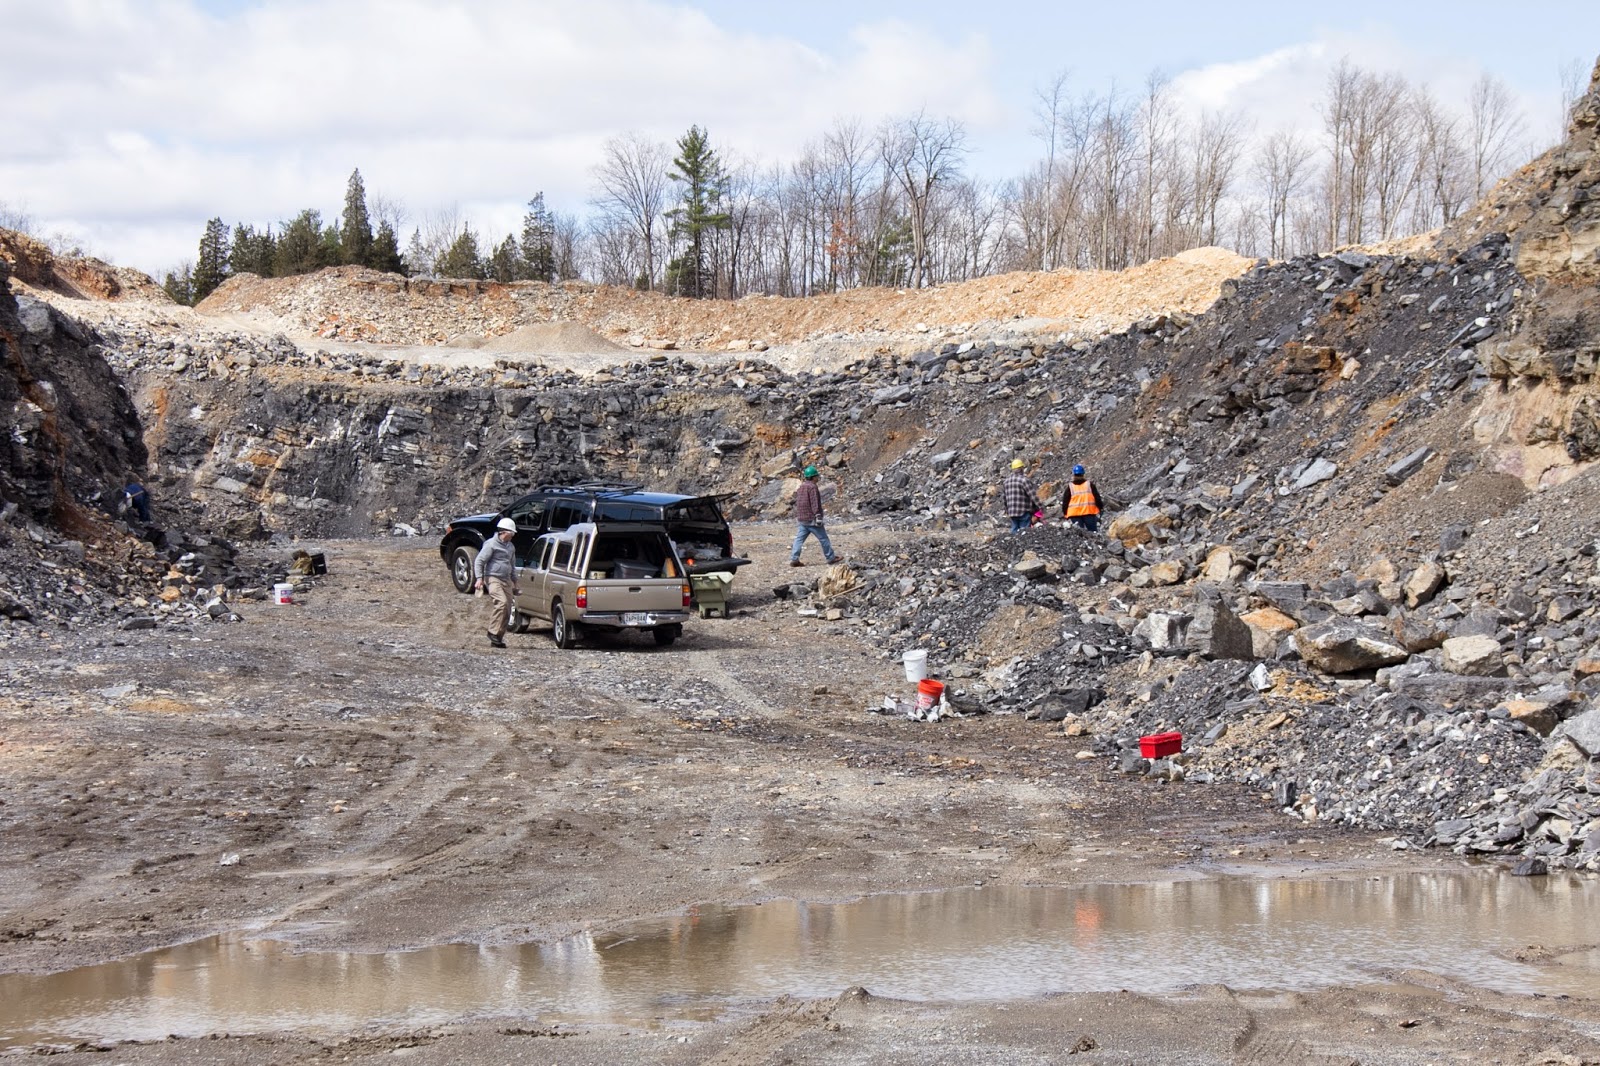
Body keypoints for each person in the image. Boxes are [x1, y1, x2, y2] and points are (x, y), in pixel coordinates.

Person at [473, 517, 520, 648]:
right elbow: (479, 561)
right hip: (493, 578)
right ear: (504, 532)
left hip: (506, 579)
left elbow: (512, 564)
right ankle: (492, 631)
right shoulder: (491, 544)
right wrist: (479, 578)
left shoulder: (511, 547)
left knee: (508, 607)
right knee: (501, 602)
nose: (513, 536)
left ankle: (497, 637)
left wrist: (515, 581)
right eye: (512, 534)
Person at [789, 465, 841, 567]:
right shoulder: (812, 487)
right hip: (812, 519)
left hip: (802, 519)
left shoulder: (802, 487)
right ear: (813, 477)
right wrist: (818, 516)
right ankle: (830, 557)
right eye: (816, 476)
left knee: (799, 539)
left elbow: (798, 502)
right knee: (823, 539)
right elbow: (814, 503)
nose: (817, 478)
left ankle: (794, 558)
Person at [1062, 464, 1105, 532]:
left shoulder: (1070, 487)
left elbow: (1065, 502)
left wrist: (1065, 513)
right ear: (1083, 474)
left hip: (1074, 514)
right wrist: (1101, 507)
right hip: (1089, 512)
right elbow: (1097, 498)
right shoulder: (1089, 485)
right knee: (1092, 533)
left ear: (1074, 475)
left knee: (1080, 535)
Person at [1001, 458, 1039, 534]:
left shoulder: (1006, 482)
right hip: (1023, 511)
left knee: (1014, 530)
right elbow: (1032, 496)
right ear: (1021, 468)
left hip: (1012, 512)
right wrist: (1037, 509)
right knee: (1024, 532)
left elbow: (1004, 499)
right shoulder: (1024, 480)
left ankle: (1014, 544)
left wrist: (1007, 510)